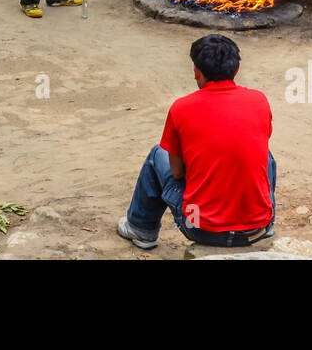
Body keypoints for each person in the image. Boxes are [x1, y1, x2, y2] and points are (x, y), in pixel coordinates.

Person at [117, 34, 277, 250]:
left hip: (199, 226)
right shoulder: (259, 100)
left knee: (158, 154)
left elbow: (177, 173)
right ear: (236, 70)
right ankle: (268, 224)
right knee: (265, 156)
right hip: (256, 228)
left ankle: (141, 229)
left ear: (197, 71)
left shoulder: (181, 108)